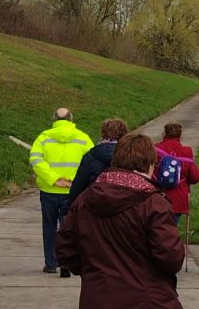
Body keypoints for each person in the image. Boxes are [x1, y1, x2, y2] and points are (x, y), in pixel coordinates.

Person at [57, 133, 185, 309]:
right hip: (148, 299)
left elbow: (65, 250)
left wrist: (94, 272)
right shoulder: (154, 204)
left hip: (97, 296)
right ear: (149, 165)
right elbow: (171, 258)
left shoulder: (84, 200)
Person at [29, 107, 92, 275]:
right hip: (73, 191)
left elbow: (35, 160)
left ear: (54, 119)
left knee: (49, 227)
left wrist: (54, 179)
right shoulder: (83, 138)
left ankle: (51, 263)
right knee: (70, 228)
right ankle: (68, 261)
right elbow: (90, 163)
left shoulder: (43, 138)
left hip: (49, 190)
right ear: (71, 119)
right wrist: (75, 180)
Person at [68, 118, 130, 207]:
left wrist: (66, 210)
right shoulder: (130, 156)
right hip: (122, 207)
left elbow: (77, 187)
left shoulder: (90, 157)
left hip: (94, 206)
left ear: (103, 133)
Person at [155, 123, 199, 230]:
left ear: (164, 133)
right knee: (171, 228)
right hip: (178, 200)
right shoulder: (186, 151)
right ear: (180, 135)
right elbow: (195, 177)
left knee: (157, 228)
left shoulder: (155, 149)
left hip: (158, 196)